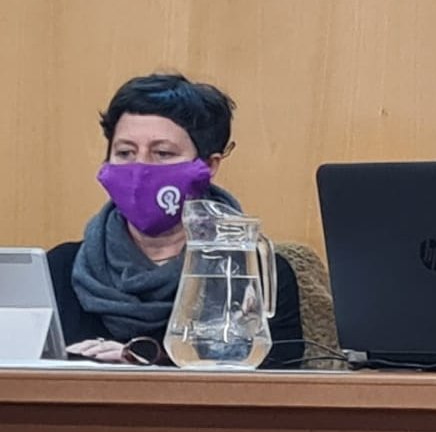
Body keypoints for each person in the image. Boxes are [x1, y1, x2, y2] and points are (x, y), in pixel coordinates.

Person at [46, 73, 303, 368]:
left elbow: (278, 383)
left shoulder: (252, 272)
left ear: (208, 165)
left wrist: (148, 362)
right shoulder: (60, 269)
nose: (141, 168)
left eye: (163, 153)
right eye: (125, 152)